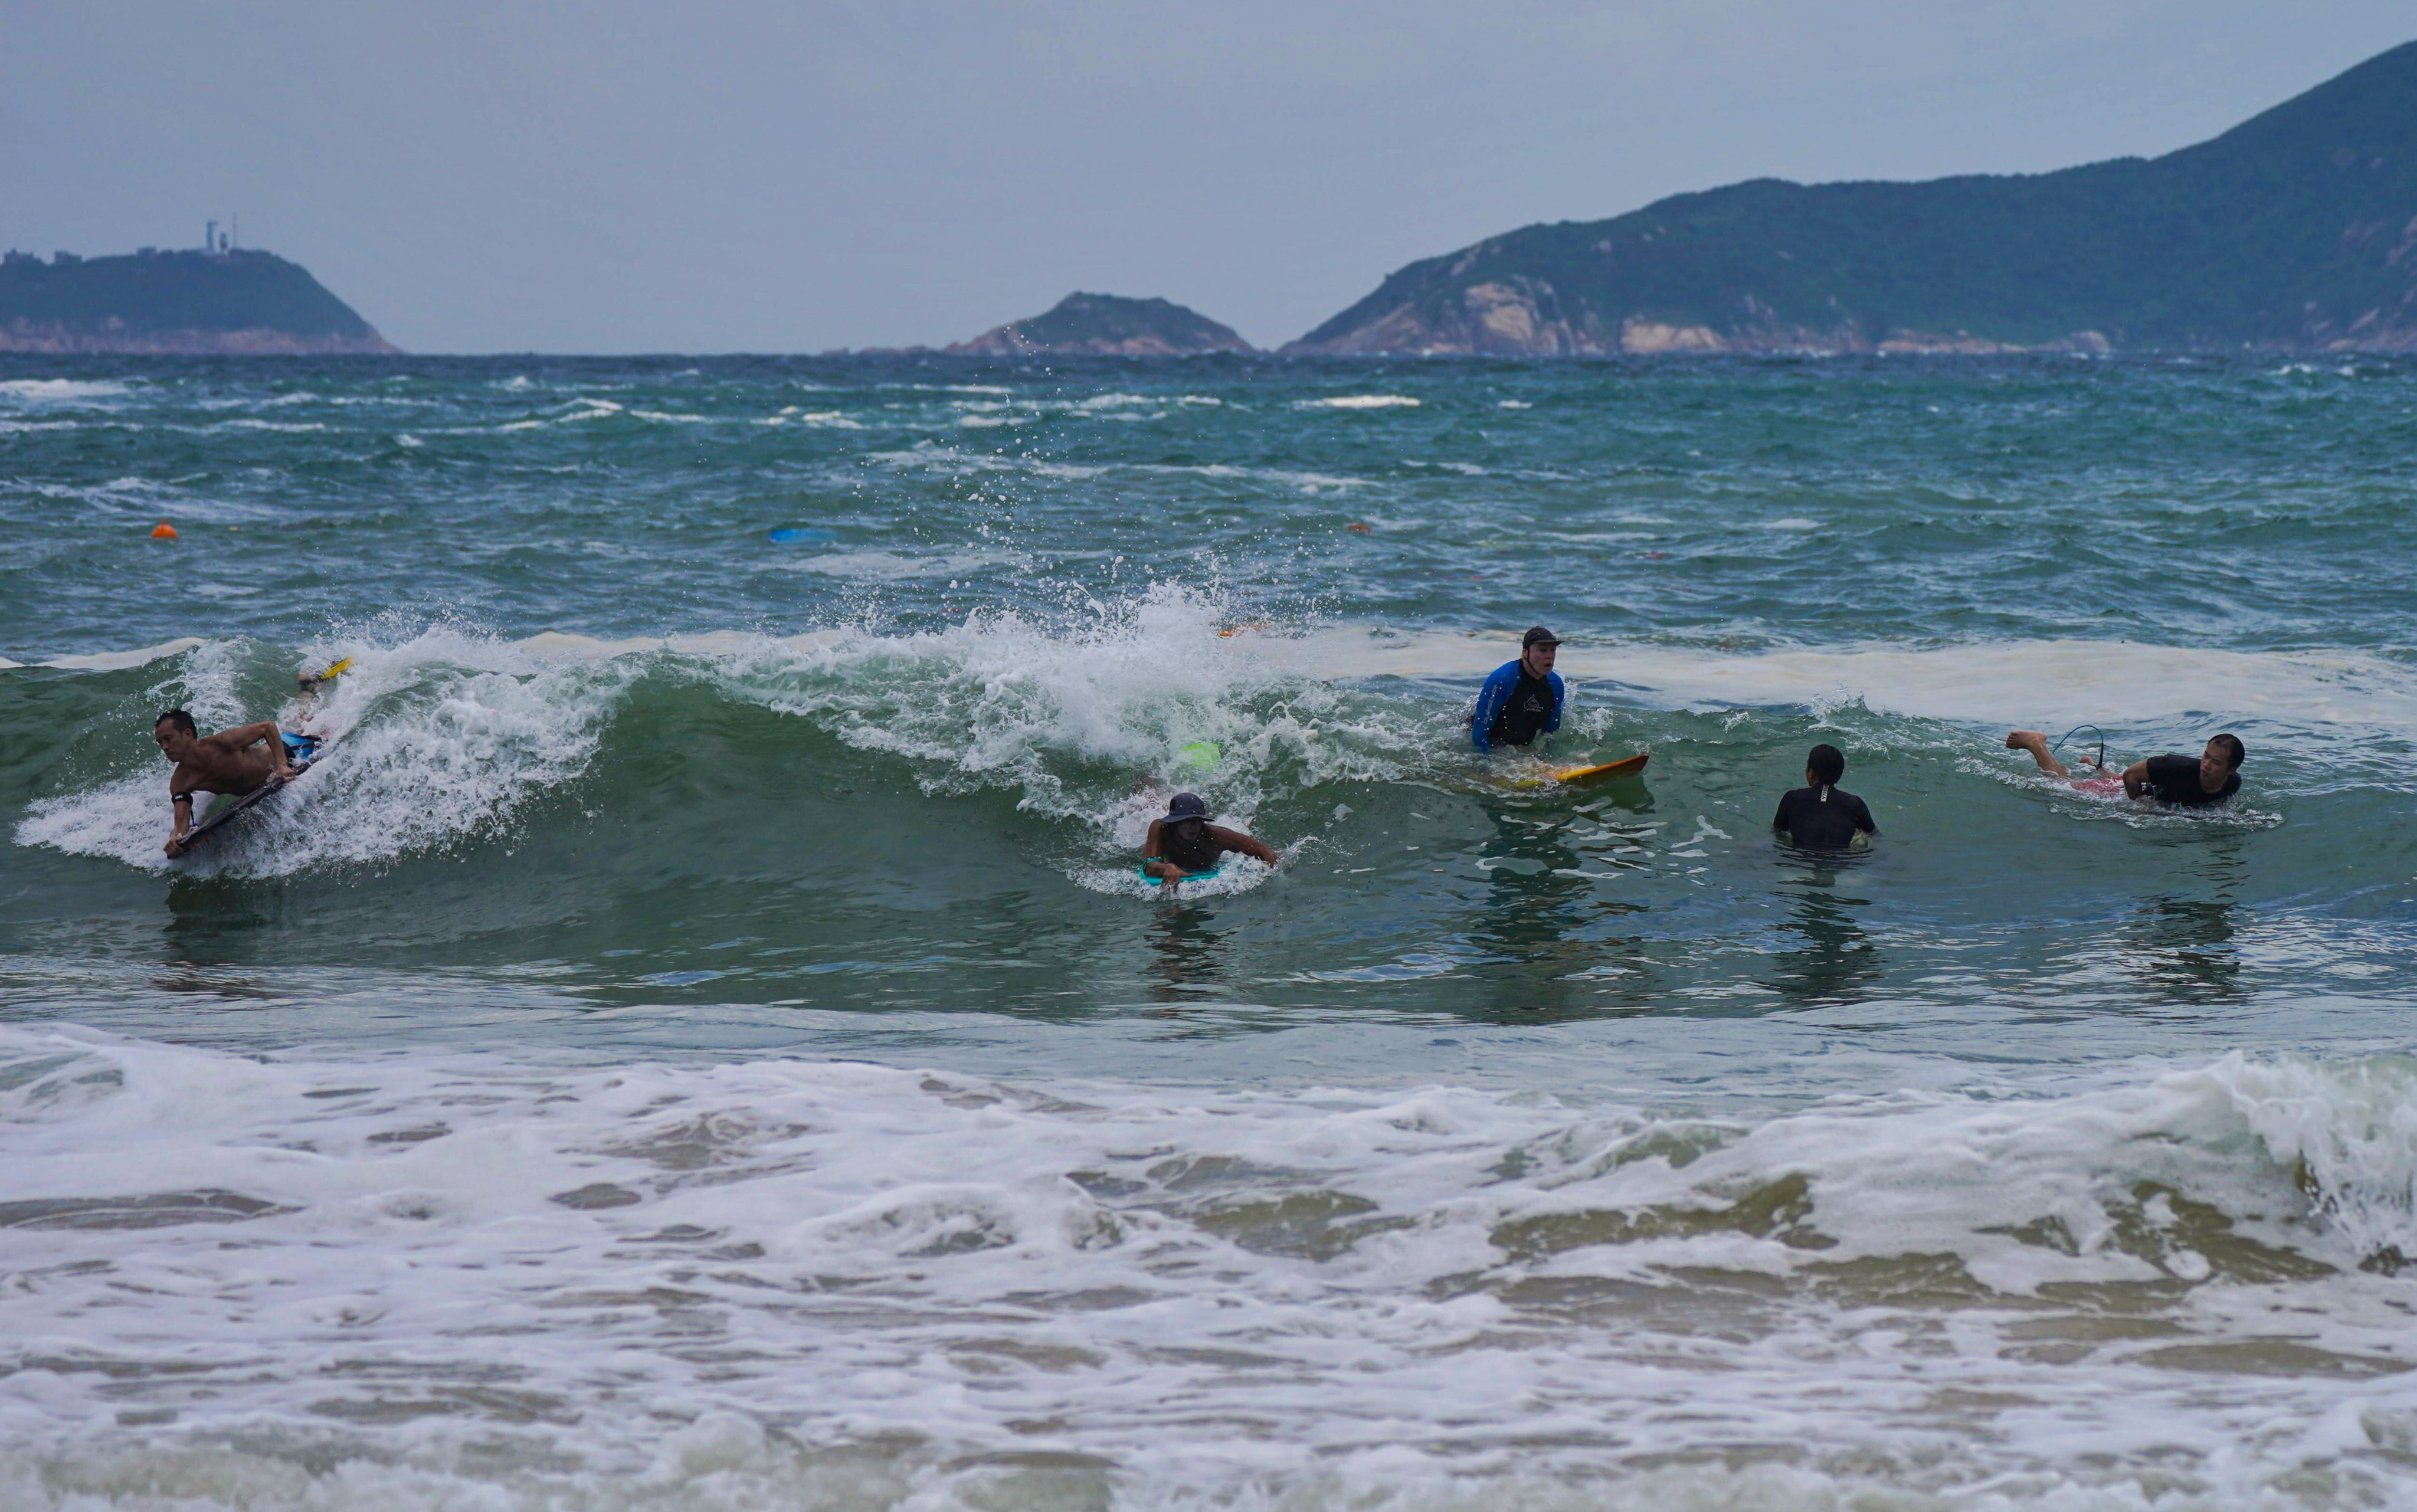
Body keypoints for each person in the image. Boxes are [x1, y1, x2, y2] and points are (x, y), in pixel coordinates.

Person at [153, 709, 311, 857]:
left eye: (168, 739)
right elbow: (181, 825)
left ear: (187, 734)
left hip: (293, 750)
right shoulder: (180, 782)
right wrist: (176, 839)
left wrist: (281, 766)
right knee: (302, 724)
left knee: (320, 732)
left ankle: (310, 688)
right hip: (264, 779)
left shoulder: (221, 744)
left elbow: (268, 727)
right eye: (160, 743)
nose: (165, 747)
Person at [2005, 729, 2244, 807]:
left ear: (2231, 770)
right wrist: (2138, 804)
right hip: (2134, 787)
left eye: (2216, 763)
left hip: (2154, 786)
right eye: (2206, 756)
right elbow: (2131, 775)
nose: (2207, 765)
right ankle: (2036, 743)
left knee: (2115, 780)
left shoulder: (2232, 784)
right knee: (2064, 786)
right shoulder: (2176, 767)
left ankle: (2092, 766)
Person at [1141, 792, 1278, 888]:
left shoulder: (1217, 837)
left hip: (1206, 870)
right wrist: (1168, 868)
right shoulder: (1161, 829)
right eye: (1185, 821)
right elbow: (1150, 866)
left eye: (1196, 821)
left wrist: (1272, 879)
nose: (1191, 827)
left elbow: (1265, 852)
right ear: (1174, 822)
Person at [1470, 626, 1566, 753]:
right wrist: (1485, 766)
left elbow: (1550, 734)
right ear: (1525, 652)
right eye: (1543, 650)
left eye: (1552, 650)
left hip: (1515, 747)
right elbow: (1480, 731)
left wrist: (1548, 763)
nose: (1549, 656)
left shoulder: (1556, 685)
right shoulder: (1502, 680)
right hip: (1485, 740)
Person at [1773, 743, 1878, 850]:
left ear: (1811, 773)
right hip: (1842, 861)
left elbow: (1777, 833)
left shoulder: (1792, 799)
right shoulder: (1855, 804)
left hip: (1799, 859)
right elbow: (1874, 835)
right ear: (1839, 773)